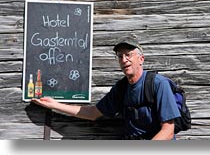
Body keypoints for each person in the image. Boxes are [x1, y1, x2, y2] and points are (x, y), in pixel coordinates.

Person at [32, 35, 180, 140]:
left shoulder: (158, 84)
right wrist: (55, 105)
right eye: (120, 56)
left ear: (141, 59)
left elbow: (168, 131)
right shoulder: (122, 87)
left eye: (128, 55)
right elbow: (93, 113)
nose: (124, 60)